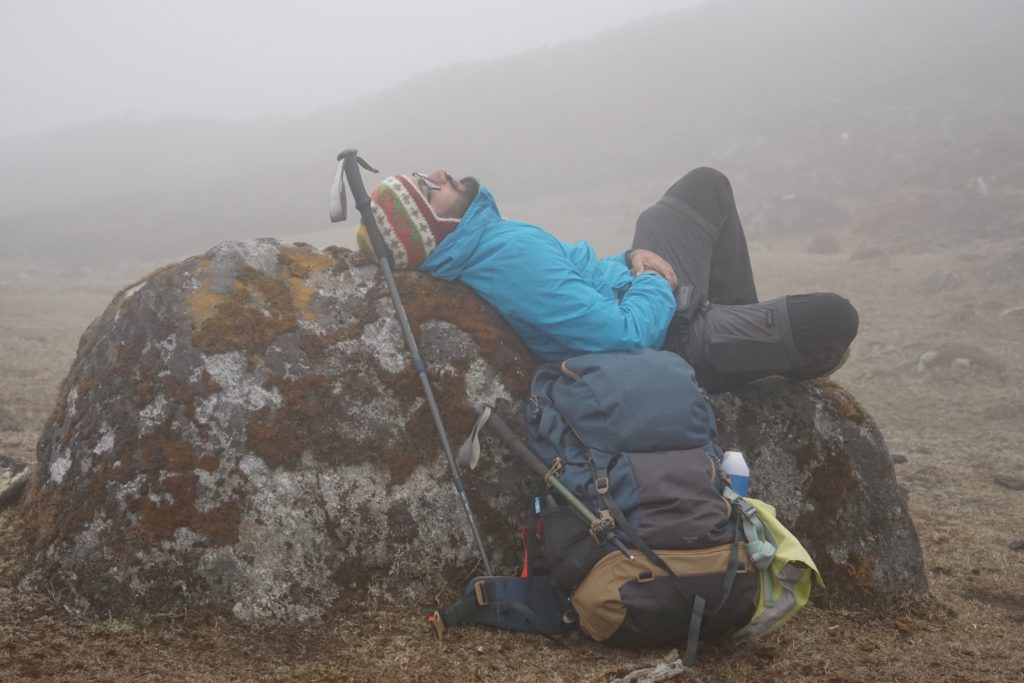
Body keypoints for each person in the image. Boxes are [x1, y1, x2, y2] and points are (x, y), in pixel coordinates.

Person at [355, 167, 858, 393]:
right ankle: (739, 354)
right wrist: (655, 284)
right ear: (432, 225)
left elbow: (586, 272)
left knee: (704, 186)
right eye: (428, 186)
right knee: (834, 318)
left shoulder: (491, 238)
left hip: (645, 293)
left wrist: (634, 256)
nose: (440, 173)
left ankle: (738, 318)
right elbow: (622, 338)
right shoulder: (505, 258)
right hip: (672, 342)